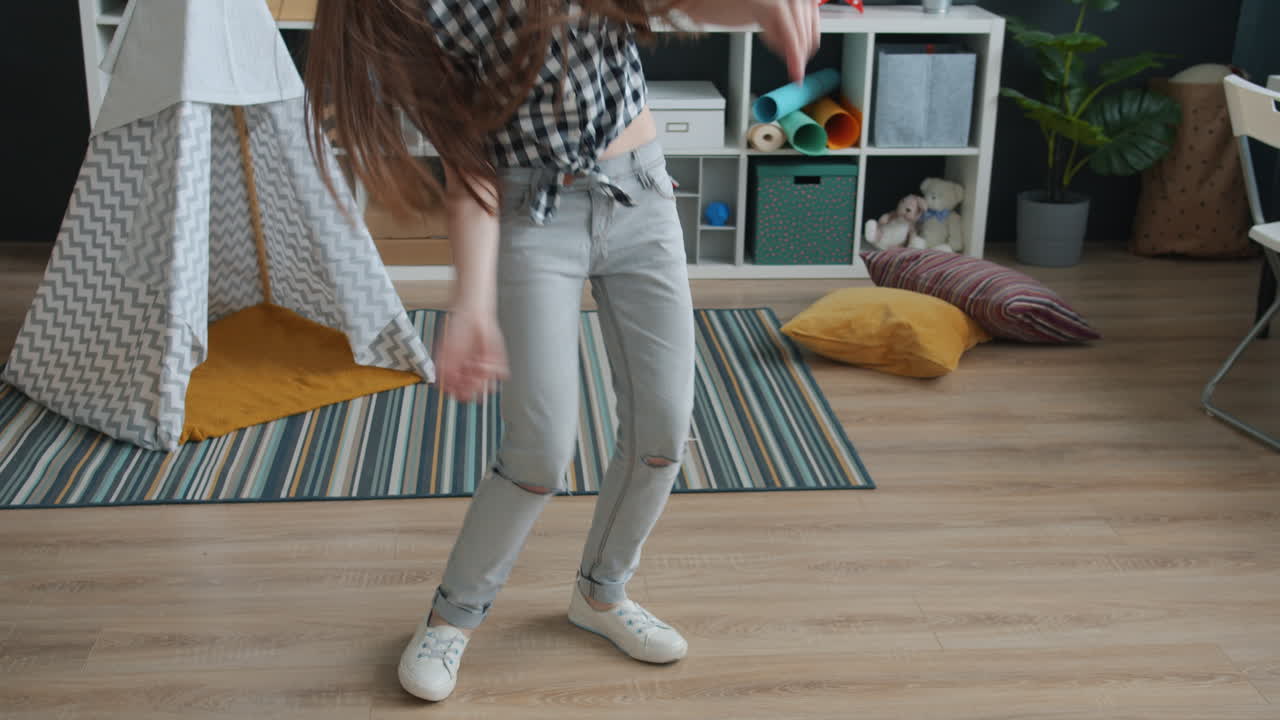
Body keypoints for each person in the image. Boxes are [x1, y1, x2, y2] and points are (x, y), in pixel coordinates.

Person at [304, 0, 819, 702]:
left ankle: (601, 595)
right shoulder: (407, 18)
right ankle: (450, 617)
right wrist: (473, 305)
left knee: (664, 431)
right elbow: (469, 168)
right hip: (527, 212)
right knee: (540, 448)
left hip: (640, 193)